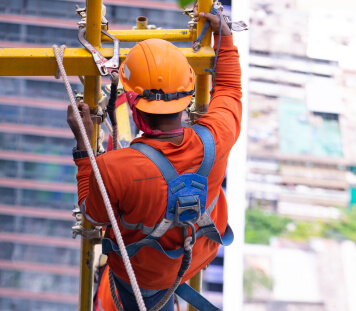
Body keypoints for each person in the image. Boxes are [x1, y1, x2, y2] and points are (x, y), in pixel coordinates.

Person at [67, 5, 241, 310]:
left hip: (142, 277)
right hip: (199, 255)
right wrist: (224, 38)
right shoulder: (217, 136)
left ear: (133, 106)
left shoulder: (114, 168)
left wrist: (84, 149)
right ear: (187, 94)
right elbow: (230, 89)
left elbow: (93, 215)